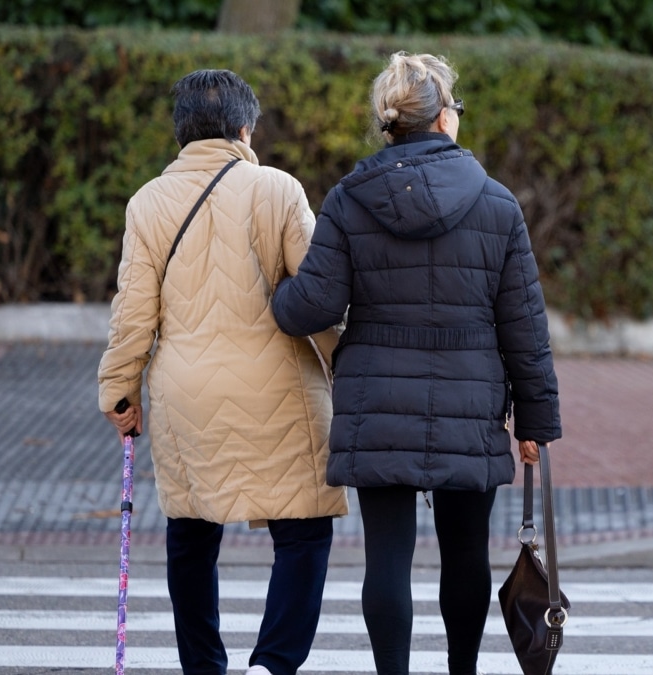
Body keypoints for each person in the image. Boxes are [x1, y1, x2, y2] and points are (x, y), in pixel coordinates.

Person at [271, 51, 562, 675]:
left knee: (387, 560)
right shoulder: (497, 204)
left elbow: (313, 304)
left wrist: (276, 294)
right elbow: (524, 328)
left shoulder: (350, 199)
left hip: (376, 400)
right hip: (471, 397)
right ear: (443, 120)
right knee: (465, 554)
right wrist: (536, 420)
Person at [97, 69, 348, 675]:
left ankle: (204, 666)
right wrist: (348, 363)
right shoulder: (278, 190)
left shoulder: (148, 202)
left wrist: (118, 389)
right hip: (281, 391)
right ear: (245, 127)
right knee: (304, 530)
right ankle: (272, 664)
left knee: (191, 531)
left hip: (187, 395)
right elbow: (317, 299)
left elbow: (133, 313)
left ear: (181, 132)